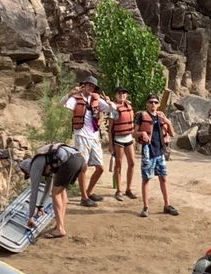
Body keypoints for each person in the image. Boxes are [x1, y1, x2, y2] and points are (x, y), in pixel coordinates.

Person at [20, 140, 87, 239]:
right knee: (61, 191)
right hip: (79, 158)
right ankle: (60, 224)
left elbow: (34, 192)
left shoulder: (35, 165)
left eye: (28, 175)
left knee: (55, 194)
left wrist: (30, 217)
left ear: (27, 170)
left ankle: (60, 229)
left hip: (71, 161)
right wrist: (41, 206)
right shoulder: (46, 161)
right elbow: (48, 187)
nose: (30, 176)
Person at [67, 76, 115, 205]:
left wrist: (109, 102)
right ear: (84, 85)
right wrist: (70, 94)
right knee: (83, 167)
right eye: (88, 85)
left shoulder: (96, 99)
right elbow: (63, 104)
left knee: (100, 168)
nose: (90, 88)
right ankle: (83, 197)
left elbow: (112, 110)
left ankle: (89, 192)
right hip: (81, 136)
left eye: (93, 86)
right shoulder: (75, 98)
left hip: (94, 137)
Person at [136, 94, 179, 217]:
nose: (153, 104)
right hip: (148, 151)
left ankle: (167, 205)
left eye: (155, 102)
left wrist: (168, 122)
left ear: (158, 104)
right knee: (146, 179)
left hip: (160, 151)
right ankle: (145, 207)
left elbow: (172, 133)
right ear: (147, 104)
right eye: (151, 102)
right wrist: (142, 133)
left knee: (163, 178)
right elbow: (134, 133)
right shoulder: (141, 116)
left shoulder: (161, 117)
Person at [109, 85, 139, 200]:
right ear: (116, 95)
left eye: (124, 93)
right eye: (119, 93)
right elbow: (110, 127)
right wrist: (111, 144)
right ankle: (119, 190)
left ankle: (129, 189)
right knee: (118, 165)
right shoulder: (114, 108)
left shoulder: (128, 105)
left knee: (132, 163)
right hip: (118, 140)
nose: (122, 95)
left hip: (129, 139)